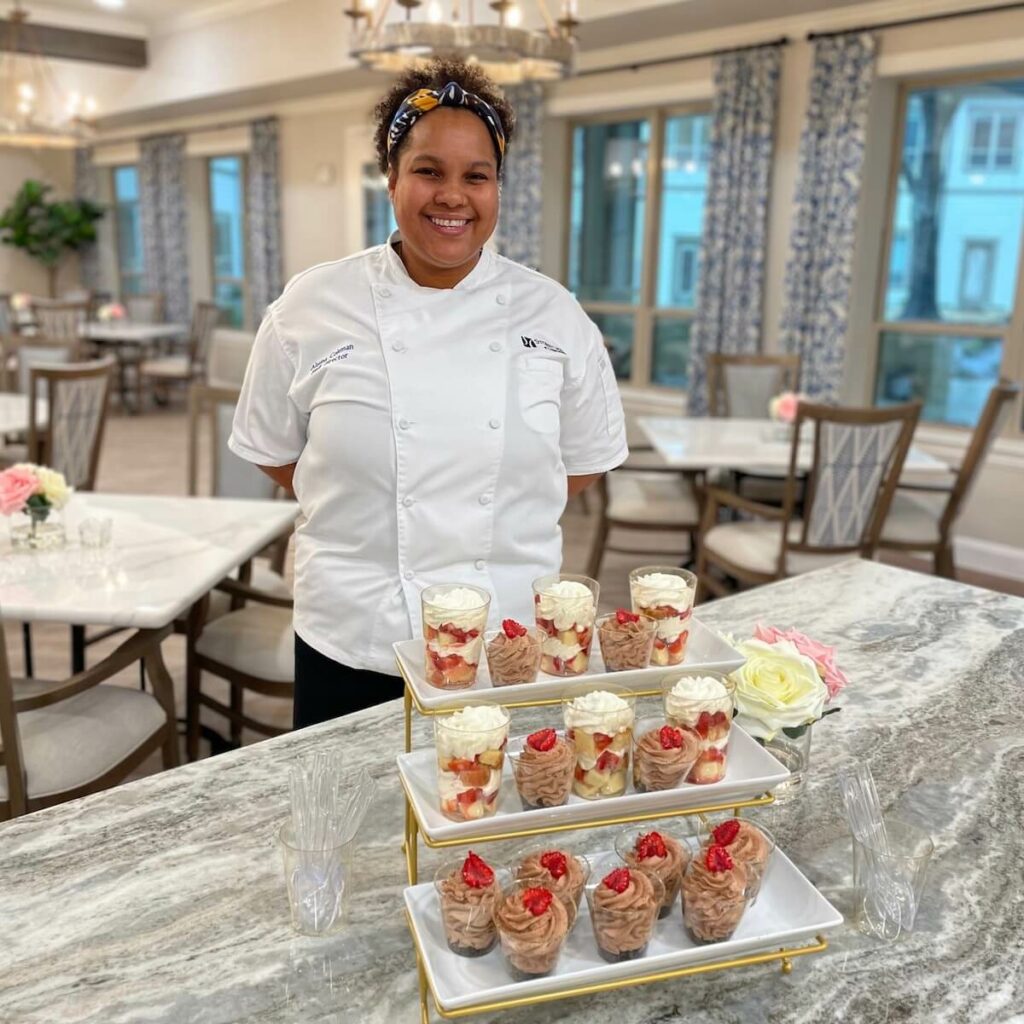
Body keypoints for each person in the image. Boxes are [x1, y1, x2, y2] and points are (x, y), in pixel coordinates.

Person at [229, 57, 628, 729]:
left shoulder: (553, 314)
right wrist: (360, 493)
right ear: (390, 178)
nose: (453, 195)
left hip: (506, 635)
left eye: (477, 176)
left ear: (498, 188)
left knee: (494, 816)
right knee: (350, 823)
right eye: (428, 170)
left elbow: (582, 463)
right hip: (355, 629)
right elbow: (272, 448)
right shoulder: (312, 305)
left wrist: (500, 492)